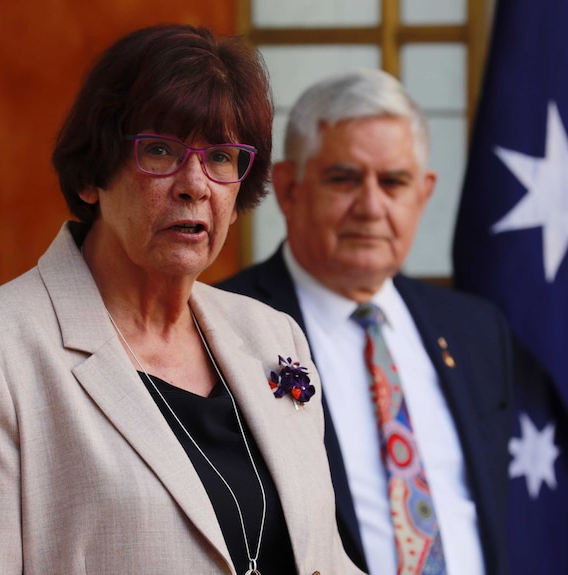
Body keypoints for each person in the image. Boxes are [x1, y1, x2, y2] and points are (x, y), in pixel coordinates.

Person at [0, 24, 364, 575]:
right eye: (161, 150)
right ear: (94, 174)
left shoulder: (273, 335)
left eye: (220, 157)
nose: (196, 184)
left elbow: (326, 558)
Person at [218, 69, 513, 575]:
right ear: (289, 190)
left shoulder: (476, 330)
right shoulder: (222, 327)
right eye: (344, 179)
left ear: (423, 193)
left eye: (394, 182)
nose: (371, 206)